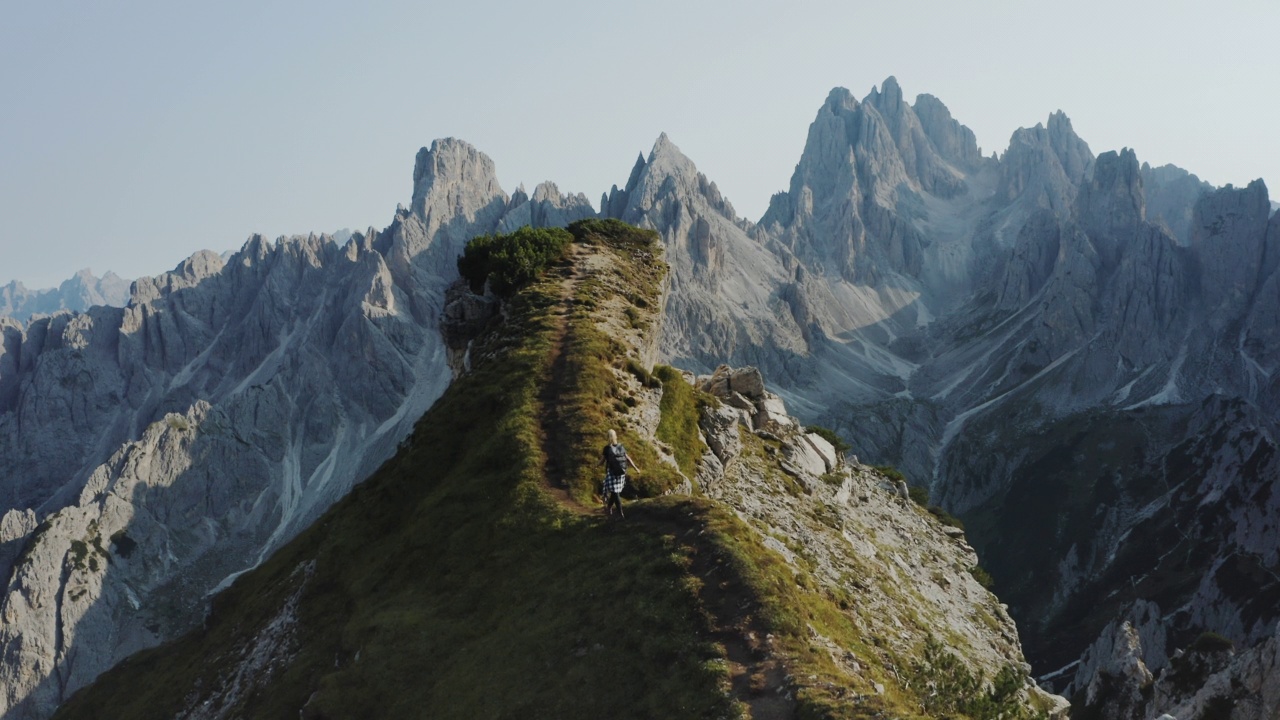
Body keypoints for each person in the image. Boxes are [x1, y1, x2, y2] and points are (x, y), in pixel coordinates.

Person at [601, 429, 639, 518]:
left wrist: (596, 465)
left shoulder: (607, 448)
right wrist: (636, 468)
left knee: (615, 493)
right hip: (621, 473)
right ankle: (611, 508)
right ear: (615, 436)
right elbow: (627, 458)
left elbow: (602, 460)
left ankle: (620, 512)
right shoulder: (621, 446)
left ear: (608, 437)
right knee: (615, 492)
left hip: (612, 473)